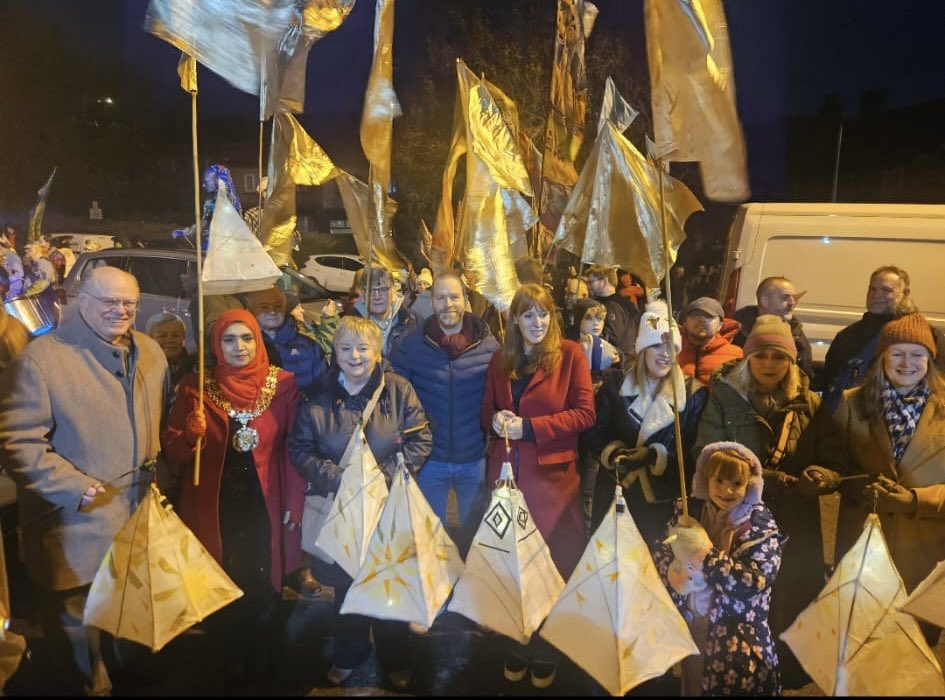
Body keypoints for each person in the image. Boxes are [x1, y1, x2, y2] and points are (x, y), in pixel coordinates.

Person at [0, 266, 168, 695]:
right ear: (82, 300)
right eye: (109, 301)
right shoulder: (41, 359)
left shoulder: (151, 352)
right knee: (76, 624)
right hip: (74, 520)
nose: (121, 310)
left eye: (129, 302)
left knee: (126, 616)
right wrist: (72, 486)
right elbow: (17, 443)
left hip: (134, 517)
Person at [161, 309, 306, 688]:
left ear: (258, 341)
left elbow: (295, 448)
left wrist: (294, 500)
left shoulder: (284, 384)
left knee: (262, 585)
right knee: (219, 583)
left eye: (246, 338)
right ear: (216, 345)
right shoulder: (196, 387)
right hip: (215, 504)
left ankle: (261, 663)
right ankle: (227, 661)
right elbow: (173, 452)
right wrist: (190, 436)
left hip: (265, 502)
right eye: (229, 339)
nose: (239, 347)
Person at [288, 316, 432, 691]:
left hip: (386, 507)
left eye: (363, 348)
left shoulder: (398, 390)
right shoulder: (317, 396)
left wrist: (379, 477)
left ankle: (395, 656)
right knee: (347, 589)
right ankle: (348, 654)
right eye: (346, 348)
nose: (355, 356)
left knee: (388, 584)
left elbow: (421, 441)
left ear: (377, 351)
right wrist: (340, 480)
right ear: (334, 352)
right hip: (339, 509)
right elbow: (299, 449)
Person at [693, 314, 834, 689]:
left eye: (778, 357)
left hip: (795, 514)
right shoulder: (725, 396)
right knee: (741, 592)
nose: (769, 364)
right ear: (747, 358)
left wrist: (822, 475)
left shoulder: (809, 403)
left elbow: (828, 453)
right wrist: (763, 478)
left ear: (790, 361)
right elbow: (706, 453)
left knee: (791, 591)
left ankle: (782, 668)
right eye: (761, 356)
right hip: (739, 512)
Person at [480, 283, 595, 688]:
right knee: (513, 563)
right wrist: (495, 422)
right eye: (528, 314)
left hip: (552, 481)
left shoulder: (571, 355)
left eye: (543, 314)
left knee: (550, 563)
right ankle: (520, 638)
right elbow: (489, 411)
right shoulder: (501, 359)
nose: (537, 322)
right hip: (508, 475)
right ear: (514, 318)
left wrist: (529, 428)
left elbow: (584, 414)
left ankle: (547, 645)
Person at [813, 313, 945, 646]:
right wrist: (835, 479)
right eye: (897, 353)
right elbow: (837, 466)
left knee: (913, 654)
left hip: (924, 553)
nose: (907, 363)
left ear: (930, 360)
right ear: (882, 356)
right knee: (860, 644)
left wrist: (914, 501)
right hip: (864, 550)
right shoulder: (851, 403)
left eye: (917, 354)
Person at [652, 442, 783, 696]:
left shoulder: (760, 527)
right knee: (692, 686)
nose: (727, 490)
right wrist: (674, 572)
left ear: (751, 486)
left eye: (736, 483)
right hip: (691, 628)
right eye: (719, 480)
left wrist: (703, 554)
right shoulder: (688, 513)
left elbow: (752, 582)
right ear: (705, 481)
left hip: (737, 640)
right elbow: (661, 549)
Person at [391, 272, 499, 555]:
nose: (448, 304)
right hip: (430, 459)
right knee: (430, 533)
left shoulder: (489, 347)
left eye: (454, 296)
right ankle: (436, 591)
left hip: (473, 457)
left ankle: (467, 591)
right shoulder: (413, 345)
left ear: (465, 299)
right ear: (431, 301)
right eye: (440, 297)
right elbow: (397, 393)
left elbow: (502, 394)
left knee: (472, 533)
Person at [584, 301, 708, 543]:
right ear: (643, 349)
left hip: (659, 504)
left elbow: (693, 451)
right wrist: (616, 453)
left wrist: (656, 457)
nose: (665, 354)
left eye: (671, 347)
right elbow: (594, 433)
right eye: (657, 345)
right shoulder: (616, 384)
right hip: (614, 494)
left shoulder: (693, 394)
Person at [821, 265, 945, 410]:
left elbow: (938, 382)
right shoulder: (848, 335)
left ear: (905, 293)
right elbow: (829, 377)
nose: (875, 295)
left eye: (886, 290)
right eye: (872, 289)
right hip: (848, 419)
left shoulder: (928, 336)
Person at [245, 286, 329, 395]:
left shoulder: (309, 347)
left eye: (277, 306)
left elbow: (325, 389)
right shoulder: (245, 349)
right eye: (264, 307)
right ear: (251, 311)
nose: (272, 311)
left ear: (285, 308)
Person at [733, 276, 814, 381]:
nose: (792, 303)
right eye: (785, 298)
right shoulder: (736, 332)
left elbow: (805, 377)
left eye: (794, 298)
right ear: (764, 301)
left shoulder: (797, 334)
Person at [350, 263, 421, 358]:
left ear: (394, 290)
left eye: (383, 289)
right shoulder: (349, 327)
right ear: (362, 293)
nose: (377, 296)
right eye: (371, 290)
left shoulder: (412, 321)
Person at [677, 296, 743, 385]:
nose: (701, 320)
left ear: (720, 325)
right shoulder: (670, 349)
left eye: (709, 316)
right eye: (696, 315)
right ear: (686, 321)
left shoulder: (735, 355)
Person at [585, 264, 640, 359]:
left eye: (591, 282)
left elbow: (611, 339)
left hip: (615, 363)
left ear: (604, 282)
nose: (588, 286)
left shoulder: (611, 306)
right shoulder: (622, 303)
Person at [564, 298, 621, 386]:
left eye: (600, 319)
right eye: (589, 318)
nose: (596, 323)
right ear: (579, 320)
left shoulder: (610, 346)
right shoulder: (566, 345)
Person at [145, 311, 194, 392]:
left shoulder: (195, 370)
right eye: (162, 336)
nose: (170, 340)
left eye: (176, 335)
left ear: (184, 339)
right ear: (149, 338)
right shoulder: (138, 368)